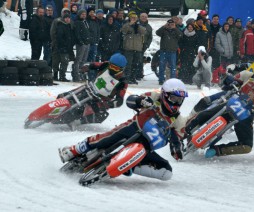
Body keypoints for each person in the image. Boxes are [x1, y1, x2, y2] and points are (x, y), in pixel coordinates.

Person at [59, 78, 189, 181]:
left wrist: (177, 149)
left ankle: (128, 166)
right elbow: (130, 101)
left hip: (145, 149)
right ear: (165, 95)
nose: (177, 103)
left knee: (166, 172)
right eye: (174, 99)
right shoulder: (155, 97)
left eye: (180, 100)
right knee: (106, 139)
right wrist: (141, 101)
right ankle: (74, 149)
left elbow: (176, 140)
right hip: (132, 129)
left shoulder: (178, 120)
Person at [186, 54, 254, 158]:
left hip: (246, 116)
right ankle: (186, 129)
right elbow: (227, 85)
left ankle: (218, 150)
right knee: (206, 105)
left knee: (247, 146)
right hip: (232, 99)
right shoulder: (246, 74)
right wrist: (229, 80)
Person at [58, 53, 128, 125]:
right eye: (112, 66)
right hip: (89, 88)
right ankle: (54, 108)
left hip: (100, 100)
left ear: (122, 69)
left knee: (101, 114)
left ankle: (77, 121)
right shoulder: (105, 65)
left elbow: (119, 101)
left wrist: (109, 104)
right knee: (64, 96)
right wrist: (86, 67)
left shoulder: (122, 82)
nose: (112, 70)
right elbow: (94, 64)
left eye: (116, 68)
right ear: (109, 64)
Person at [121, 11, 146, 84]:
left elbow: (143, 31)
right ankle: (127, 78)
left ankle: (133, 78)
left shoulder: (139, 25)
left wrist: (137, 25)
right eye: (132, 17)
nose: (133, 19)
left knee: (135, 64)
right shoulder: (126, 24)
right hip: (128, 48)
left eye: (135, 18)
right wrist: (130, 24)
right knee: (128, 64)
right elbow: (123, 30)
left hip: (137, 48)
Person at [156, 19, 182, 85]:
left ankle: (172, 80)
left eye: (172, 24)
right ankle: (161, 80)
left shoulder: (176, 30)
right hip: (163, 51)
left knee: (173, 67)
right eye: (169, 24)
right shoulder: (164, 30)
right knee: (162, 66)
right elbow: (157, 33)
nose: (170, 25)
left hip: (172, 52)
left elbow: (180, 36)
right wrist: (164, 26)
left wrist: (175, 28)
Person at [54, 13, 73, 81]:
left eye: (68, 18)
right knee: (64, 62)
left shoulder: (68, 26)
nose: (67, 19)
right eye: (66, 18)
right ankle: (62, 76)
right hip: (63, 48)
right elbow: (60, 37)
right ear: (64, 19)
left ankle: (62, 75)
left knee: (64, 62)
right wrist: (64, 45)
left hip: (66, 47)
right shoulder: (61, 26)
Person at [73, 9, 91, 82]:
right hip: (81, 44)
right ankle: (76, 75)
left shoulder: (85, 22)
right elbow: (77, 34)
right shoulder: (77, 22)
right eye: (82, 14)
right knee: (78, 60)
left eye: (85, 14)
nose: (84, 15)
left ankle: (81, 74)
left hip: (87, 43)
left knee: (83, 60)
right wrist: (81, 42)